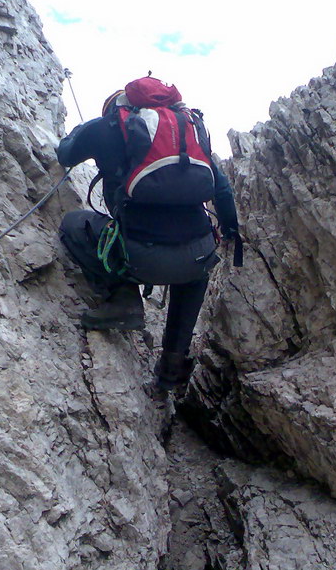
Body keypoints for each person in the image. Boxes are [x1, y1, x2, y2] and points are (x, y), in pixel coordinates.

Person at [56, 76, 241, 390]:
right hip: (197, 256)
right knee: (197, 268)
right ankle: (170, 373)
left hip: (139, 255)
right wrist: (230, 232)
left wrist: (86, 129)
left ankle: (124, 296)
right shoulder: (189, 134)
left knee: (73, 224)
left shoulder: (108, 126)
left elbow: (66, 153)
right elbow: (222, 190)